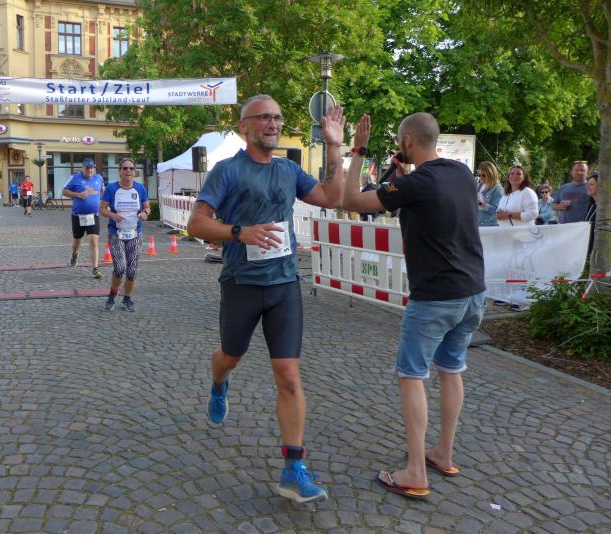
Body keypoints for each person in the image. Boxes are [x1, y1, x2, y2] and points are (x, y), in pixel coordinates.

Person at [186, 94, 348, 504]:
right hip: (241, 283)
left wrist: (334, 146)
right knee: (230, 357)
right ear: (244, 126)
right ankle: (219, 382)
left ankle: (293, 469)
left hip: (284, 285)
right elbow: (196, 224)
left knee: (289, 376)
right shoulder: (227, 171)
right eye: (264, 118)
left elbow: (332, 198)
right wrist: (240, 232)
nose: (273, 124)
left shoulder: (288, 170)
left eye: (277, 117)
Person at [340, 112, 486, 500]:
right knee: (451, 369)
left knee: (411, 375)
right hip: (473, 292)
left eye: (399, 141)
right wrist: (400, 177)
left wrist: (358, 150)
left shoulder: (414, 183)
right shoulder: (460, 173)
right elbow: (430, 200)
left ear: (406, 141)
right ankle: (443, 453)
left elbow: (350, 200)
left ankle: (415, 471)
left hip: (435, 296)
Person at [100, 157, 150, 312]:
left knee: (132, 270)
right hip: (116, 233)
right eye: (125, 168)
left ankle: (127, 299)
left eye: (131, 168)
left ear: (135, 172)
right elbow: (102, 209)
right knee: (120, 268)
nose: (128, 171)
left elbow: (147, 208)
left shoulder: (140, 188)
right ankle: (112, 296)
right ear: (120, 171)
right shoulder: (111, 188)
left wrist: (145, 213)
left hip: (135, 233)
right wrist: (113, 215)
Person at [62, 158, 104, 278]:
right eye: (87, 168)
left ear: (94, 168)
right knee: (77, 241)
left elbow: (103, 191)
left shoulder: (99, 178)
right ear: (83, 168)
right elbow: (64, 191)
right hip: (78, 216)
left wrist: (105, 204)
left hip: (93, 216)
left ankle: (95, 268)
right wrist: (77, 194)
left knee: (93, 241)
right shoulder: (75, 178)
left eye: (91, 168)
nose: (89, 170)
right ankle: (74, 255)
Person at [476, 161, 503, 226]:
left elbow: (497, 211)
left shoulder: (498, 189)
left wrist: (481, 204)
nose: (481, 177)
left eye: (483, 175)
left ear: (491, 174)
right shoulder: (479, 186)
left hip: (490, 225)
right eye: (479, 175)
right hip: (478, 224)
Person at [586, 173, 598, 256]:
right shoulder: (590, 203)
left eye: (591, 184)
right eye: (588, 184)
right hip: (587, 250)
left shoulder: (606, 208)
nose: (588, 187)